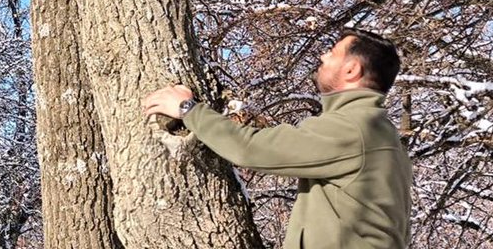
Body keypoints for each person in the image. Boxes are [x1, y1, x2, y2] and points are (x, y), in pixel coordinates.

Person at [143, 28, 412, 249]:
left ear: (352, 69)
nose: (323, 56)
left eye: (333, 52)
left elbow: (250, 148)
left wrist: (188, 110)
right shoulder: (380, 134)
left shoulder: (354, 128)